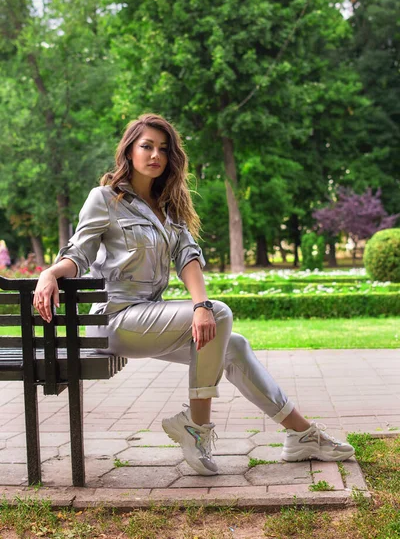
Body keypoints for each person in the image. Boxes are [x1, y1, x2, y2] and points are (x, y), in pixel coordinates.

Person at [33, 113, 355, 476]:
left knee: (234, 345)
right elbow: (80, 252)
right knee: (219, 315)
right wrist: (50, 272)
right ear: (129, 150)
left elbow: (188, 257)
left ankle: (301, 436)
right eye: (147, 146)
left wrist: (200, 305)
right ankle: (197, 430)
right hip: (113, 318)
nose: (155, 154)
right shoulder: (105, 199)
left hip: (148, 315)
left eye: (163, 149)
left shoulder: (169, 205)